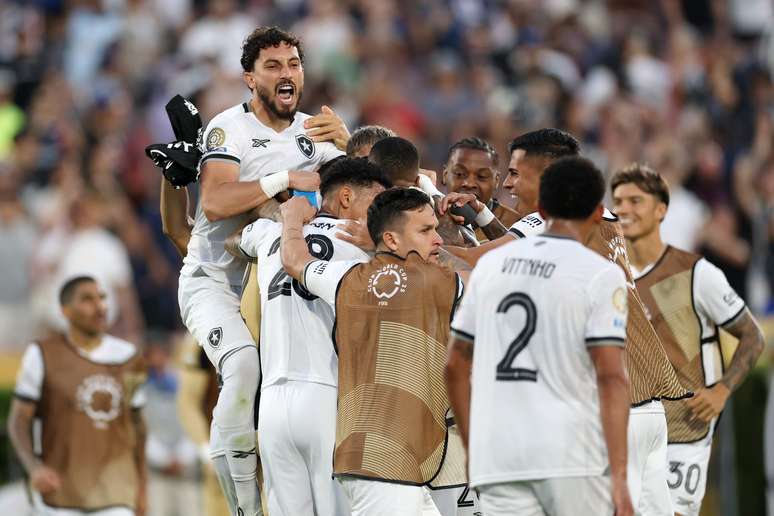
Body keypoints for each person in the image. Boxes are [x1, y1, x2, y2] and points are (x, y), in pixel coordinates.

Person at [441, 131, 690, 514]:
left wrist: (408, 244)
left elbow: (488, 258)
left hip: (611, 413)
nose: (506, 183)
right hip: (648, 408)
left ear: (549, 180)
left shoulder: (553, 225)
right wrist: (484, 217)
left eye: (514, 173)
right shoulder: (599, 220)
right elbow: (523, 241)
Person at [176, 26, 344, 516]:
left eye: (293, 64)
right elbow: (215, 199)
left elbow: (359, 198)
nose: (286, 74)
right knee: (244, 367)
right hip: (217, 284)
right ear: (250, 79)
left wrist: (351, 144)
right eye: (273, 66)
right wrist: (283, 179)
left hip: (280, 285)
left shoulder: (318, 132)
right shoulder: (227, 128)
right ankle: (242, 505)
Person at [279, 187, 469, 516]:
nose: (437, 240)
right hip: (386, 466)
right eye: (426, 231)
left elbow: (295, 260)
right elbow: (487, 275)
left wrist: (292, 220)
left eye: (436, 229)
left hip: (375, 462)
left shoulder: (346, 278)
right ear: (392, 240)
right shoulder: (435, 280)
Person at [226, 158, 391, 515]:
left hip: (272, 402)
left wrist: (286, 212)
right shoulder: (367, 243)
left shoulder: (274, 233)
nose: (380, 214)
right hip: (328, 395)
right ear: (345, 197)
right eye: (375, 203)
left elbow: (233, 240)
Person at [611, 164, 765, 516]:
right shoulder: (609, 274)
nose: (624, 209)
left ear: (661, 209)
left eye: (636, 200)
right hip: (629, 429)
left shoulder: (696, 273)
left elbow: (752, 336)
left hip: (685, 431)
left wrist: (722, 391)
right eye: (618, 201)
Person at [7, 276, 147, 516]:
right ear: (65, 311)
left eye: (102, 298)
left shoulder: (130, 357)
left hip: (116, 494)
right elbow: (19, 420)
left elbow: (137, 426)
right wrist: (34, 468)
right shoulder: (42, 354)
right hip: (61, 494)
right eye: (87, 299)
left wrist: (143, 487)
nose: (100, 306)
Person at [441, 137, 519, 242]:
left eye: (481, 176)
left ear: (496, 181)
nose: (469, 184)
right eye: (459, 174)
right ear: (445, 175)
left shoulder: (515, 223)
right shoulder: (428, 217)